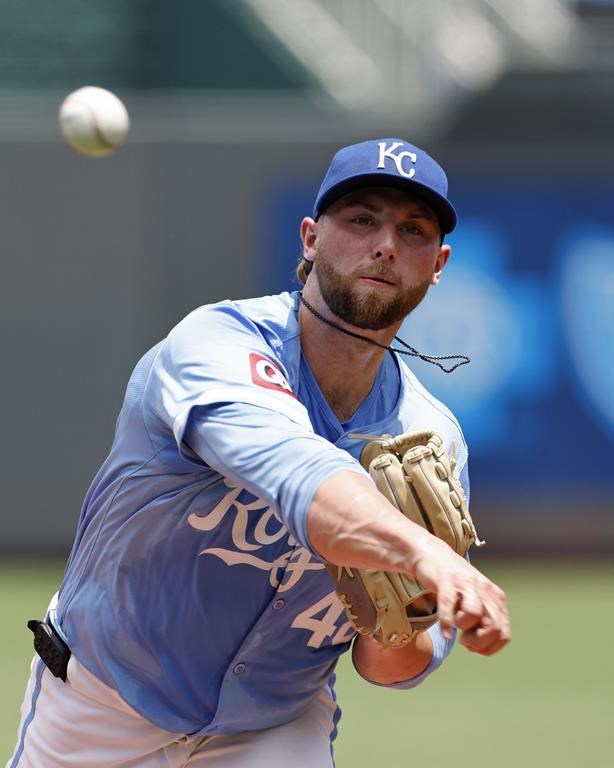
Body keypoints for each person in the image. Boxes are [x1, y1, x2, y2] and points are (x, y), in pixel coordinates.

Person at [8, 138, 510, 768]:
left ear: (436, 266)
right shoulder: (216, 343)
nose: (385, 244)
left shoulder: (432, 437)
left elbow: (392, 669)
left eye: (412, 230)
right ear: (310, 238)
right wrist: (426, 554)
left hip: (274, 725)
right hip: (104, 702)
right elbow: (299, 469)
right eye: (362, 219)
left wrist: (396, 619)